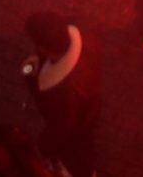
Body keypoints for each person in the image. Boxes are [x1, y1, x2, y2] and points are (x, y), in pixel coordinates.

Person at [23, 11, 101, 177]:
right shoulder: (86, 35)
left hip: (73, 133)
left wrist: (44, 144)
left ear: (43, 47)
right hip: (89, 109)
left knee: (76, 160)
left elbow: (61, 129)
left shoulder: (57, 93)